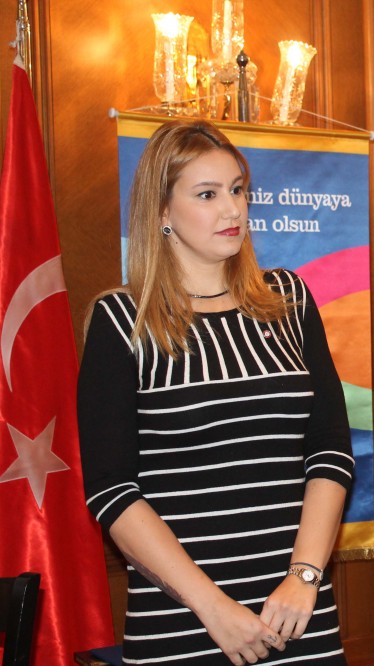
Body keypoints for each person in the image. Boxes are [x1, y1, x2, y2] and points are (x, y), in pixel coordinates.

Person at [78, 119, 354, 665]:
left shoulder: (289, 299)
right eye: (207, 195)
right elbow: (113, 492)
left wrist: (304, 577)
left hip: (297, 612)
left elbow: (329, 451)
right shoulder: (121, 321)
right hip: (183, 622)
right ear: (162, 211)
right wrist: (214, 609)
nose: (233, 210)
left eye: (237, 189)